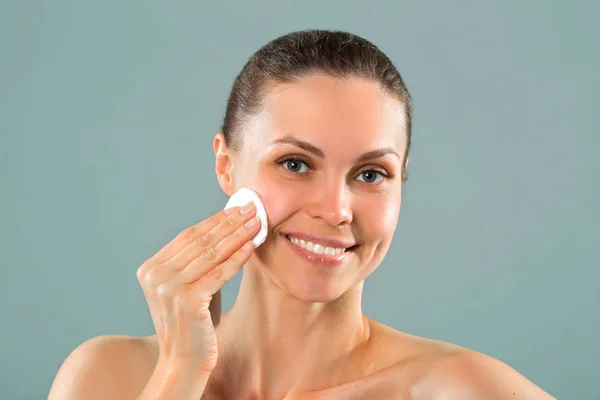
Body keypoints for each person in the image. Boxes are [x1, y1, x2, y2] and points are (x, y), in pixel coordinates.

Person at [48, 29, 555, 400]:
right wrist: (180, 373)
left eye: (371, 173)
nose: (336, 210)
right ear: (226, 166)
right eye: (295, 164)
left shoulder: (461, 392)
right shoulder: (105, 378)